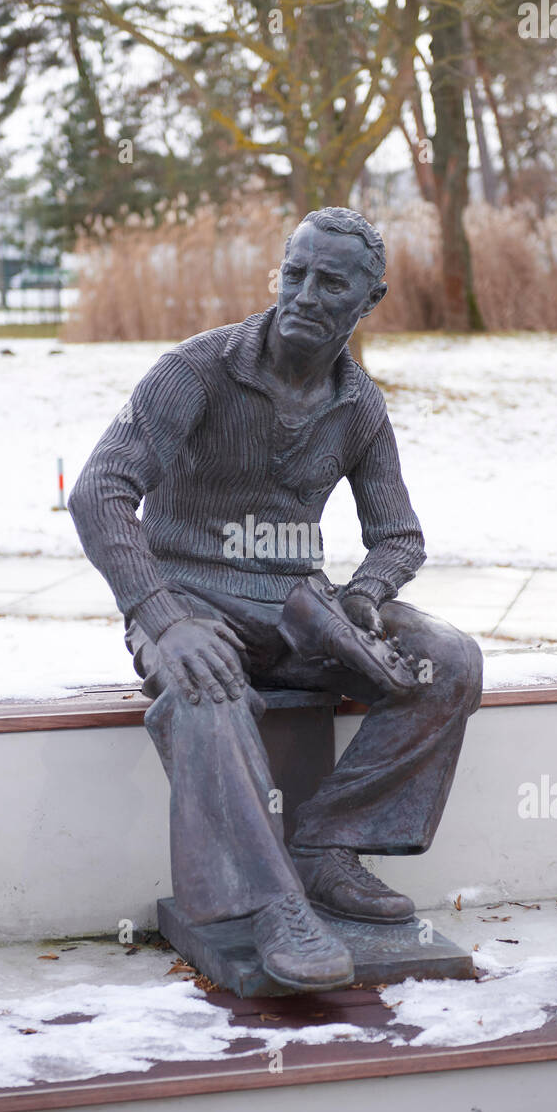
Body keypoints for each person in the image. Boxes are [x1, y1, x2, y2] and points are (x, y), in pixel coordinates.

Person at [69, 207, 483, 992]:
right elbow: (99, 492)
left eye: (330, 283)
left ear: (370, 300)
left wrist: (363, 598)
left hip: (299, 610)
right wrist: (159, 617)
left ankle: (326, 846)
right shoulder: (194, 371)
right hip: (188, 601)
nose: (303, 295)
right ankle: (271, 903)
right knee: (205, 683)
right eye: (294, 274)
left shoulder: (359, 406)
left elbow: (399, 536)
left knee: (449, 659)